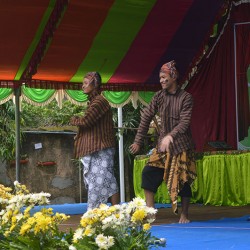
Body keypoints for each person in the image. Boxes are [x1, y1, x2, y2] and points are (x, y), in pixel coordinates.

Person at [130, 60, 196, 223]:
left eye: (164, 77)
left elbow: (184, 122)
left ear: (174, 76)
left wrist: (170, 136)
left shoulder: (186, 98)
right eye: (160, 78)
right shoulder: (159, 96)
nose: (162, 80)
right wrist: (138, 141)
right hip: (162, 147)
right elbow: (146, 117)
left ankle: (184, 214)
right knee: (148, 173)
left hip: (181, 146)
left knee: (183, 180)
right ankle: (151, 213)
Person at [70, 72, 119, 210]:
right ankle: (115, 210)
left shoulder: (99, 102)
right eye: (83, 83)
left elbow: (87, 121)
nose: (83, 86)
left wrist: (74, 120)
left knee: (98, 181)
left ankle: (94, 210)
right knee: (108, 180)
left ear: (95, 84)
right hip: (100, 147)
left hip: (102, 148)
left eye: (86, 83)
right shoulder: (94, 101)